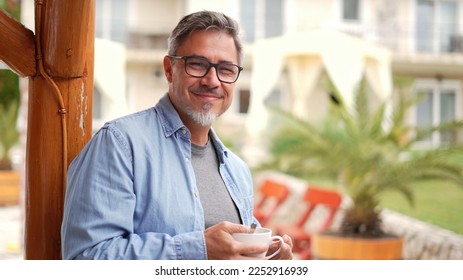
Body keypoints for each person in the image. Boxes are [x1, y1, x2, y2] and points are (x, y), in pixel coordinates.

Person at [61, 10, 293, 260]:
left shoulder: (238, 172)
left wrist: (270, 261)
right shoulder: (119, 144)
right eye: (197, 64)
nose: (212, 80)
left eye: (226, 69)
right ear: (169, 69)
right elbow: (86, 257)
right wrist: (198, 250)